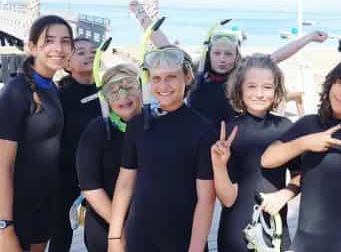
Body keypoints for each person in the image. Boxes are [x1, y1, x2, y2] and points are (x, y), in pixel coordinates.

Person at [261, 56, 341, 251]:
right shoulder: (309, 124)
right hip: (304, 242)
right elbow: (268, 159)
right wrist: (305, 143)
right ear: (331, 82)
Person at [108, 46, 216, 252]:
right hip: (139, 235)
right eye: (156, 78)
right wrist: (114, 237)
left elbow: (206, 199)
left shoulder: (202, 130)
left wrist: (195, 248)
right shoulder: (137, 124)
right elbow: (125, 184)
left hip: (183, 237)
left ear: (187, 77)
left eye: (171, 77)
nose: (163, 85)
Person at [211, 54, 300, 251]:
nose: (259, 94)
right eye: (251, 86)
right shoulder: (230, 131)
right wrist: (219, 165)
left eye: (267, 87)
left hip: (275, 228)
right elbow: (227, 199)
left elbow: (300, 175)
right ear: (239, 88)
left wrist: (284, 195)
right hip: (235, 233)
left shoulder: (286, 128)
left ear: (276, 91)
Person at [0, 15, 74, 252]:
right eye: (49, 40)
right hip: (16, 208)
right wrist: (4, 225)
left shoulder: (51, 87)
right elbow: (3, 165)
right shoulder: (17, 91)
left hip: (43, 204)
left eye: (65, 41)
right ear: (31, 47)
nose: (58, 48)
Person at [188, 28, 328, 129]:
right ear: (209, 54)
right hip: (197, 142)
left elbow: (275, 58)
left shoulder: (242, 73)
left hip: (233, 143)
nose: (222, 59)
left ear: (236, 56)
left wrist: (309, 38)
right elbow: (167, 50)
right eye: (217, 53)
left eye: (228, 54)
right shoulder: (194, 73)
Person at [76, 64, 141, 252]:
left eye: (129, 87)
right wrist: (119, 229)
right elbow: (90, 188)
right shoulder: (96, 132)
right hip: (106, 224)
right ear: (104, 98)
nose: (122, 95)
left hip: (147, 225)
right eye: (112, 91)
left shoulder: (154, 126)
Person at [48, 38, 101, 252]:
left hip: (99, 175)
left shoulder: (109, 93)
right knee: (60, 236)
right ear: (67, 64)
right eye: (80, 52)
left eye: (94, 51)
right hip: (66, 175)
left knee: (98, 235)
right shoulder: (60, 96)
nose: (89, 55)